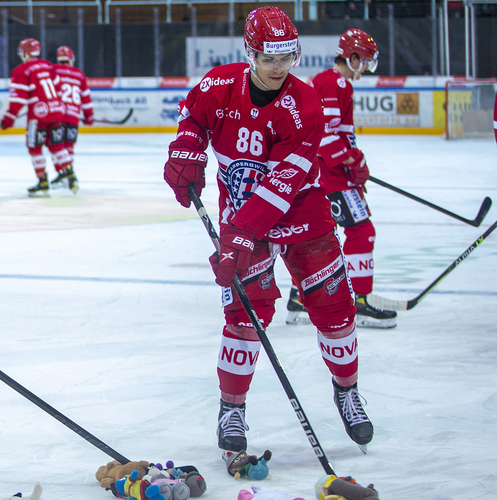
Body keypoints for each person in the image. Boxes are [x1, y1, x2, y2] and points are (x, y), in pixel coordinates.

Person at [162, 6, 373, 454]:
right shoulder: (218, 84)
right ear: (250, 53)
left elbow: (283, 183)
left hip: (302, 216)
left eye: (287, 58)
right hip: (242, 218)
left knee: (335, 310)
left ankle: (347, 390)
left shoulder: (305, 103)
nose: (279, 69)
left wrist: (238, 236)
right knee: (244, 317)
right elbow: (192, 121)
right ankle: (232, 407)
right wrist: (185, 155)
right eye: (269, 59)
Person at [287, 29, 396, 329]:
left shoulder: (332, 82)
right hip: (331, 178)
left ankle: (300, 295)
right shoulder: (333, 83)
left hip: (329, 176)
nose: (367, 69)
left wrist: (352, 163)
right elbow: (326, 136)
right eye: (367, 62)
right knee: (362, 231)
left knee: (322, 237)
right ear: (354, 57)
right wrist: (354, 161)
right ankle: (359, 301)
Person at [0, 38, 70, 197]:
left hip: (37, 117)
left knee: (34, 147)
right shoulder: (49, 65)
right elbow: (59, 90)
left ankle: (42, 182)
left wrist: (9, 117)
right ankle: (71, 174)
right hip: (55, 112)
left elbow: (18, 99)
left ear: (25, 52)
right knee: (57, 145)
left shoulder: (21, 70)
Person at [51, 45, 94, 194]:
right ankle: (68, 172)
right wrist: (89, 116)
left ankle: (63, 173)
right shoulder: (80, 75)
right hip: (74, 116)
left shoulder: (53, 70)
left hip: (58, 115)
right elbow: (86, 99)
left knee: (56, 146)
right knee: (69, 147)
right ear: (72, 58)